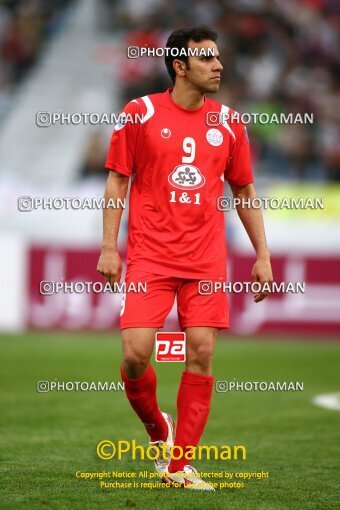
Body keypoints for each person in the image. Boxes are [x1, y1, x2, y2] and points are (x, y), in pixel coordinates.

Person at [97, 25, 273, 491]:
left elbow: (245, 190)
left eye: (218, 58)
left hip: (206, 260)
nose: (219, 66)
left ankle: (180, 467)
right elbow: (118, 182)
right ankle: (159, 428)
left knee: (201, 352)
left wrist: (262, 254)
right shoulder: (140, 113)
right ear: (180, 66)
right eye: (207, 59)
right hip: (150, 257)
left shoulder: (230, 123)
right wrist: (110, 246)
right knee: (135, 355)